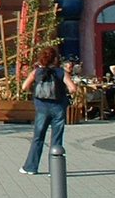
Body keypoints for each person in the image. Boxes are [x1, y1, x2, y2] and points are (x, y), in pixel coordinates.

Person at [20, 45, 77, 175]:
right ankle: (55, 170)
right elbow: (73, 88)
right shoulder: (62, 72)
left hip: (41, 107)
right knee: (57, 138)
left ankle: (31, 167)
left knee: (38, 138)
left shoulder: (36, 72)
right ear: (56, 59)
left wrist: (35, 91)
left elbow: (24, 87)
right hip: (58, 107)